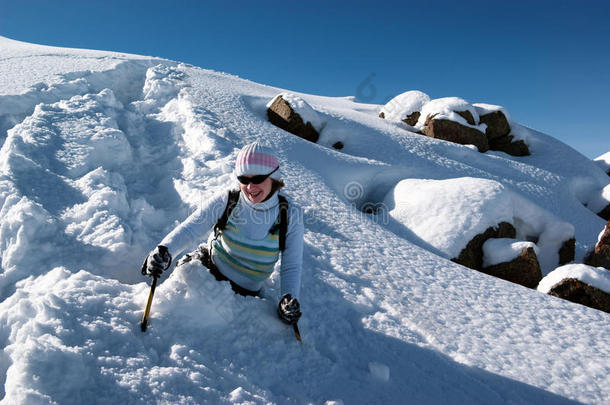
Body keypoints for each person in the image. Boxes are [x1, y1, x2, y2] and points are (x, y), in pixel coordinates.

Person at [141, 141, 304, 325]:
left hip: (247, 294)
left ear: (274, 177)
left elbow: (291, 265)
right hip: (204, 271)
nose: (250, 187)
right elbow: (191, 228)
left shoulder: (290, 215)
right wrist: (165, 250)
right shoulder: (229, 200)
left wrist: (288, 298)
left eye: (258, 179)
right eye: (244, 179)